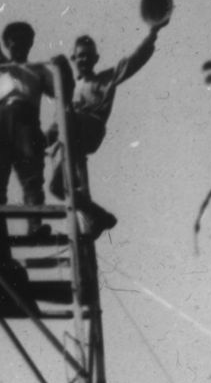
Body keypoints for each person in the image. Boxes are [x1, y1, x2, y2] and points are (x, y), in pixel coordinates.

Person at [46, 26, 161, 235]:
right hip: (70, 134)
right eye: (80, 56)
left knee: (66, 116)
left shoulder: (105, 79)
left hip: (91, 127)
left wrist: (152, 34)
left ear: (96, 59)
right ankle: (98, 215)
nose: (84, 60)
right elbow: (56, 126)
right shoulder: (69, 92)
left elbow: (133, 62)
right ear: (74, 58)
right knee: (55, 187)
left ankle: (94, 214)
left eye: (88, 57)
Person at [0, 0, 67, 243]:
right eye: (13, 41)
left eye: (24, 41)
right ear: (8, 44)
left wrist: (55, 126)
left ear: (30, 44)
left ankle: (34, 223)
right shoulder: (1, 65)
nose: (18, 45)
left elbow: (63, 97)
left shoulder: (39, 70)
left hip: (26, 121)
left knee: (31, 172)